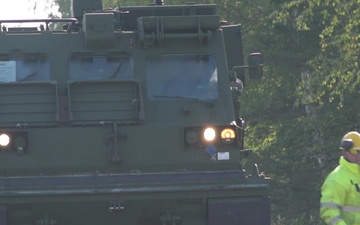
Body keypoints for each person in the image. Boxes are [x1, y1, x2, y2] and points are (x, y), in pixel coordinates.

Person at [320, 131, 360, 225]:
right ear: (344, 153)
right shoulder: (336, 180)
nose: (359, 156)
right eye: (356, 152)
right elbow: (329, 212)